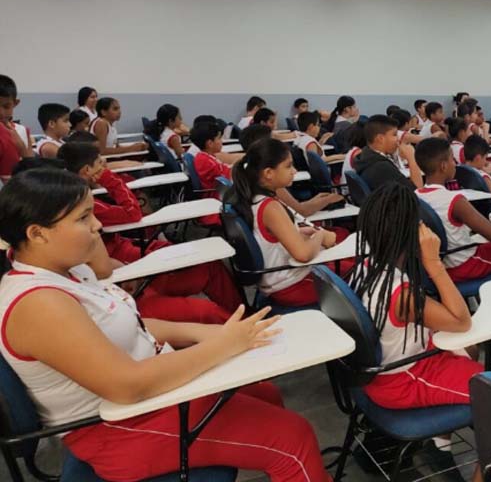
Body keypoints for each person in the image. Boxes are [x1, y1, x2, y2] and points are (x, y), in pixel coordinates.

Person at [0, 168, 332, 482]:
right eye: (84, 217)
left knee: (264, 392)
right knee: (293, 439)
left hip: (144, 402)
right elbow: (127, 385)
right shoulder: (39, 304)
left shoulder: (67, 271)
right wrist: (224, 345)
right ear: (37, 233)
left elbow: (131, 324)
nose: (98, 225)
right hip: (119, 428)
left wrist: (212, 333)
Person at [350, 183, 481, 479]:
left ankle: (439, 445)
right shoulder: (400, 294)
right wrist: (433, 262)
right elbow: (461, 320)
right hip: (403, 379)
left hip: (382, 369)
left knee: (469, 350)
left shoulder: (364, 267)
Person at [58, 141, 243, 323]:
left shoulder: (81, 204)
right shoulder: (83, 206)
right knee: (208, 297)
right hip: (132, 280)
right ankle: (244, 323)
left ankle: (241, 318)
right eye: (100, 163)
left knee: (203, 263)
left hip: (128, 266)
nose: (105, 165)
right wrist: (109, 179)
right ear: (86, 171)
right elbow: (133, 213)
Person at [224, 138, 337, 306]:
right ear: (268, 173)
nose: (294, 171)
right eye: (288, 166)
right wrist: (320, 236)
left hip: (279, 283)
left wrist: (297, 233)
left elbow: (268, 238)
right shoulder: (270, 207)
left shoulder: (254, 198)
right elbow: (303, 255)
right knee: (360, 269)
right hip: (294, 286)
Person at [414, 139, 491, 281]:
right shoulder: (454, 200)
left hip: (435, 263)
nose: (455, 164)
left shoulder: (416, 195)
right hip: (462, 264)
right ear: (443, 166)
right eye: (452, 159)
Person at [353, 114, 424, 191]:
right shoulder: (382, 167)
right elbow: (417, 192)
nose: (398, 139)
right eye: (394, 135)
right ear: (380, 138)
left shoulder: (365, 155)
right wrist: (411, 158)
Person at [0, 75, 33, 178]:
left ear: (15, 103)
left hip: (17, 185)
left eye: (6, 106)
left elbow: (32, 168)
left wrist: (21, 148)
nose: (1, 112)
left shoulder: (22, 130)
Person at [462, 135, 491, 205]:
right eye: (485, 158)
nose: (485, 162)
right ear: (478, 158)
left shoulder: (463, 170)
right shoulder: (485, 178)